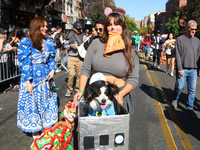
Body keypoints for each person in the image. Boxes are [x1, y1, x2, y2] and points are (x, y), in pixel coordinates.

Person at [73, 11, 139, 114]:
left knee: (116, 129)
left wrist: (120, 94)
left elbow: (134, 78)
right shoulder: (96, 43)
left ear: (123, 27)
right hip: (95, 96)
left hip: (118, 94)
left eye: (117, 24)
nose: (113, 27)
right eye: (109, 25)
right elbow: (85, 68)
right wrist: (81, 90)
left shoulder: (131, 51)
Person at [17, 16, 58, 138]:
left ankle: (46, 125)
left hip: (46, 78)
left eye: (46, 26)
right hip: (32, 77)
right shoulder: (26, 42)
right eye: (43, 26)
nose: (45, 28)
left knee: (47, 102)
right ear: (36, 26)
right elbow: (24, 63)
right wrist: (28, 82)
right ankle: (35, 130)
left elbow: (51, 59)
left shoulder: (49, 41)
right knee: (33, 103)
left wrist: (52, 70)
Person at [172, 20, 200, 118]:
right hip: (182, 69)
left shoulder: (197, 41)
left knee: (192, 90)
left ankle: (190, 108)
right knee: (180, 87)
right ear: (187, 28)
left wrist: (197, 68)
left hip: (193, 69)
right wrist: (180, 68)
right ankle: (175, 98)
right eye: (192, 29)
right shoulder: (179, 39)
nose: (194, 31)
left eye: (195, 29)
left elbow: (198, 55)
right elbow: (178, 55)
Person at [65, 21, 85, 97]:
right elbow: (65, 45)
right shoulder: (69, 35)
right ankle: (69, 89)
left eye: (80, 29)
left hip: (80, 58)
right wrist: (71, 46)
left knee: (79, 75)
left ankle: (77, 89)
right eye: (77, 29)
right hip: (71, 57)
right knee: (71, 74)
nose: (79, 30)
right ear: (74, 28)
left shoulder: (82, 36)